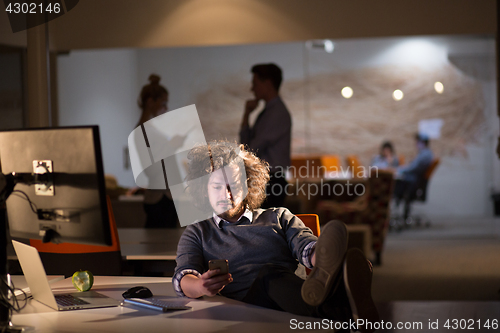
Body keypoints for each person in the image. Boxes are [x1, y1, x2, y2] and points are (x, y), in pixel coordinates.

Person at [173, 141, 379, 332]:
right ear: (204, 189)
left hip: (293, 300)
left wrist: (326, 259)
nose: (226, 194)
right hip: (245, 307)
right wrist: (200, 285)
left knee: (287, 271)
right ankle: (345, 308)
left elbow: (307, 248)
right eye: (216, 187)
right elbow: (184, 276)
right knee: (268, 275)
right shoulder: (197, 232)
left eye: (233, 186)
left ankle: (338, 284)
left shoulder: (279, 216)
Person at [239, 63, 291, 209]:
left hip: (270, 181)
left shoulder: (276, 114)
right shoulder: (269, 113)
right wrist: (246, 114)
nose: (252, 89)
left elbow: (250, 150)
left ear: (267, 83)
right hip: (268, 179)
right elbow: (247, 148)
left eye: (255, 83)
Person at [131, 74, 179, 228]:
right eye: (163, 103)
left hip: (166, 197)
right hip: (159, 200)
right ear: (150, 102)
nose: (166, 109)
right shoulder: (142, 132)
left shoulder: (152, 130)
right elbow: (150, 170)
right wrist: (172, 146)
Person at [393, 133, 434, 221]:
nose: (416, 144)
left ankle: (396, 202)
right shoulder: (424, 153)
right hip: (414, 180)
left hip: (413, 182)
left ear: (422, 142)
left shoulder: (425, 154)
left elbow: (413, 168)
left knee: (397, 181)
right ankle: (399, 209)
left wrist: (399, 170)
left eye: (418, 142)